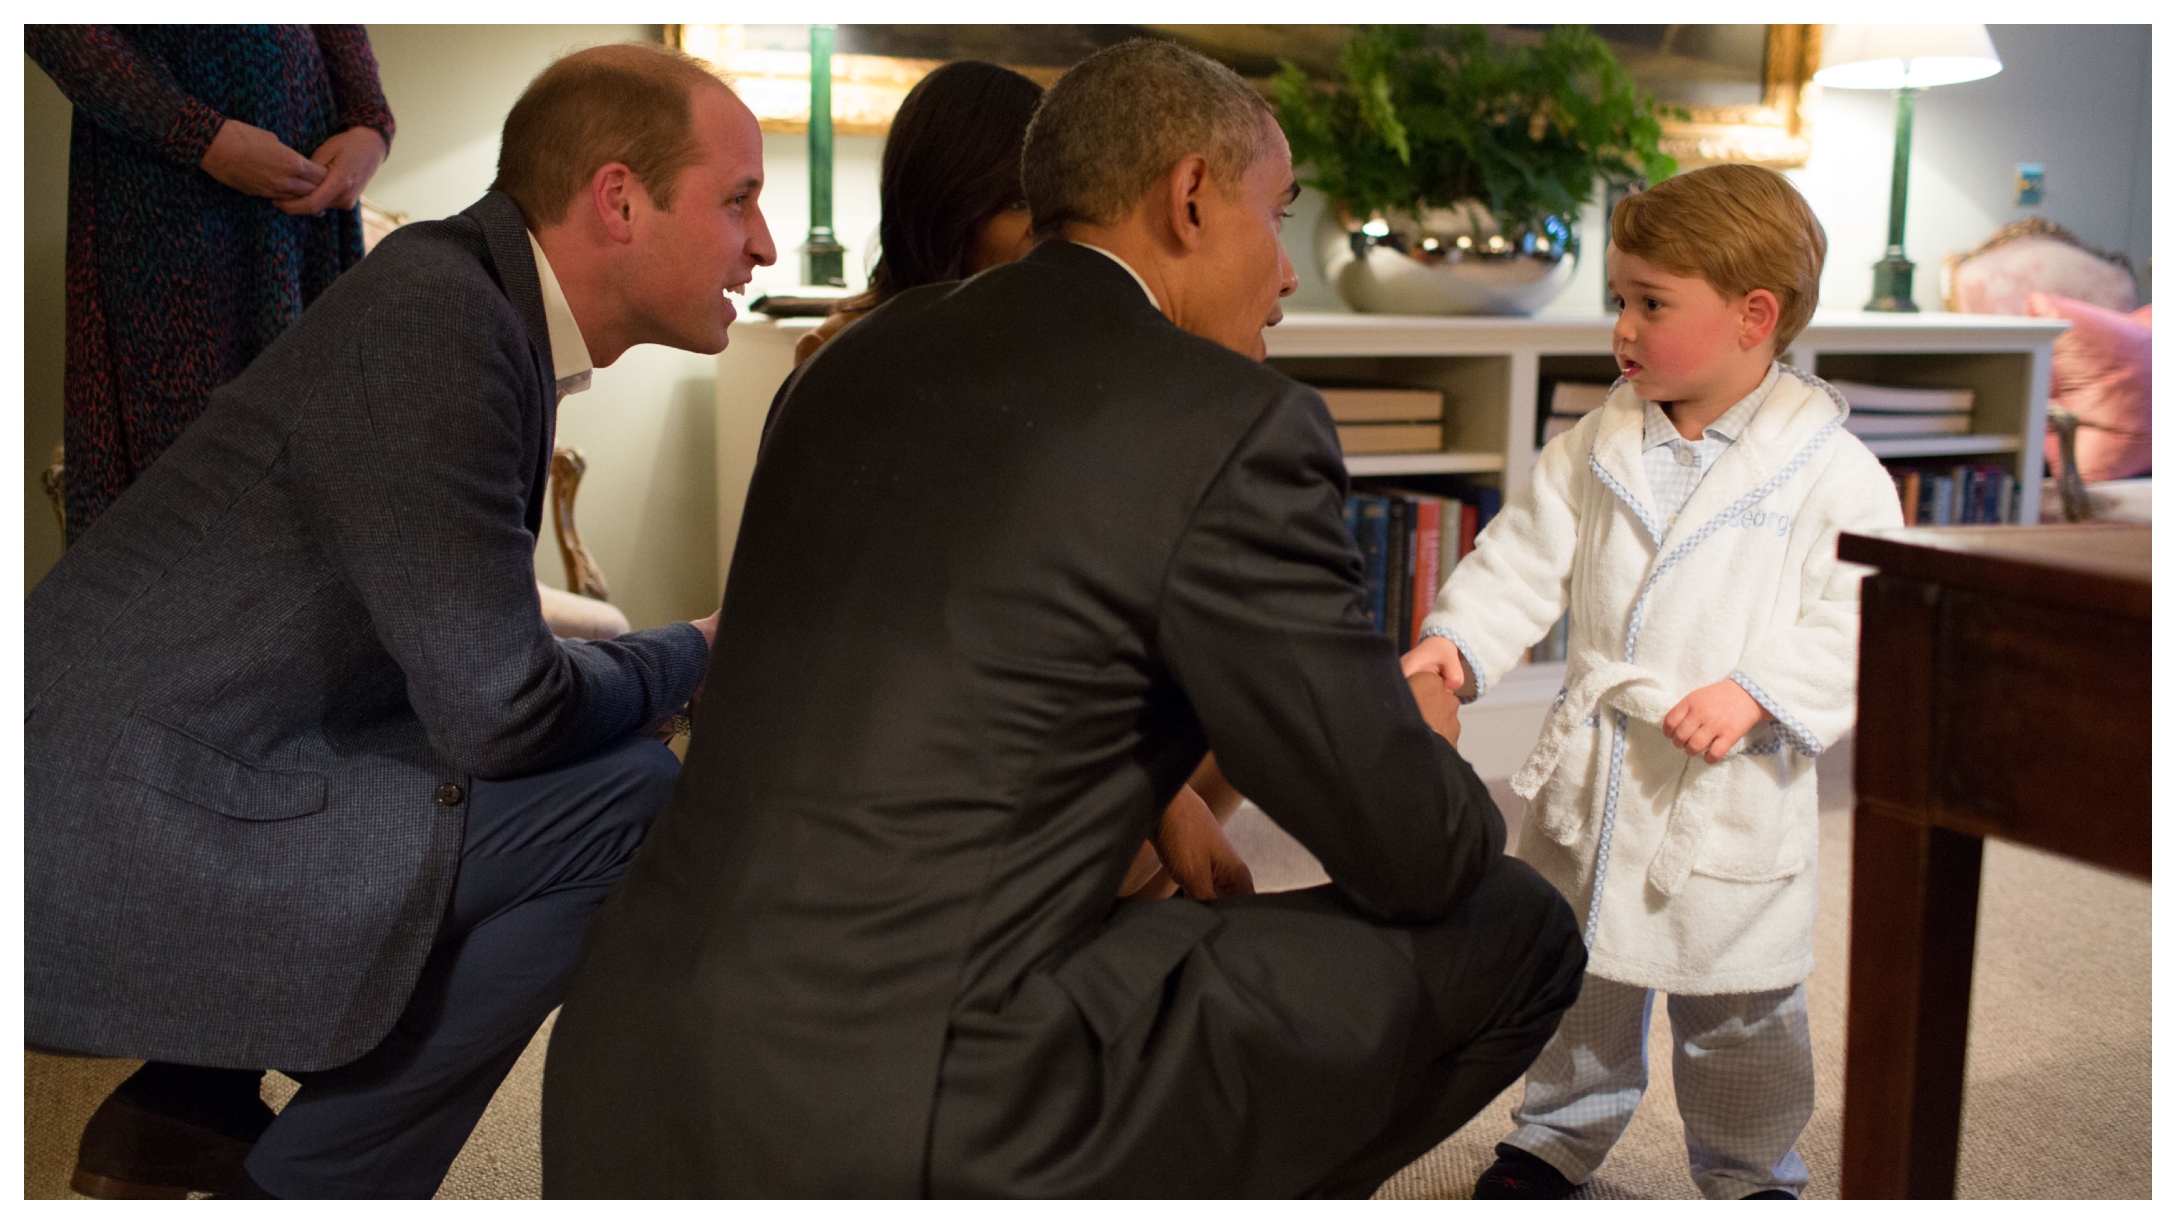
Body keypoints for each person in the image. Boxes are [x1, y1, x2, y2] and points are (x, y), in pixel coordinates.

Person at [541, 39, 1585, 1197]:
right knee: (1516, 926)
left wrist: (1162, 787)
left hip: (627, 1069)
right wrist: (1421, 738)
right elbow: (1415, 857)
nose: (1286, 276)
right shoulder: (1230, 422)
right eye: (1275, 217)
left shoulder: (848, 359)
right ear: (1189, 198)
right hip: (908, 1113)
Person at [24, 43, 777, 1199]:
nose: (762, 245)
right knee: (627, 807)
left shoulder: (461, 298)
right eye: (739, 202)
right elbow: (501, 712)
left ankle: (186, 1109)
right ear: (618, 199)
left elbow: (460, 655)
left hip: (181, 764)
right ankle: (309, 1190)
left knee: (600, 768)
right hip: (120, 818)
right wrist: (695, 651)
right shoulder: (444, 323)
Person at [1402, 164, 1904, 1200]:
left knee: (1741, 1007)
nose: (1621, 329)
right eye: (1618, 301)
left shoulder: (1829, 469)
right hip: (1602, 771)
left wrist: (1759, 689)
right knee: (1576, 975)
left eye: (1650, 303)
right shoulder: (1599, 441)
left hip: (1730, 786)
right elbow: (1521, 554)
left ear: (1752, 317)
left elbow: (1862, 608)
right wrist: (1458, 642)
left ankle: (1751, 1168)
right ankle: (1555, 1136)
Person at [26, 25, 396, 541]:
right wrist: (198, 136)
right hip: (167, 191)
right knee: (182, 483)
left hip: (308, 210)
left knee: (318, 459)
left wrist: (370, 126)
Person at [793, 59, 1044, 366]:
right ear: (946, 208)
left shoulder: (1067, 339)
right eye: (1019, 204)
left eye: (1053, 198)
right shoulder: (841, 353)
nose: (1049, 226)